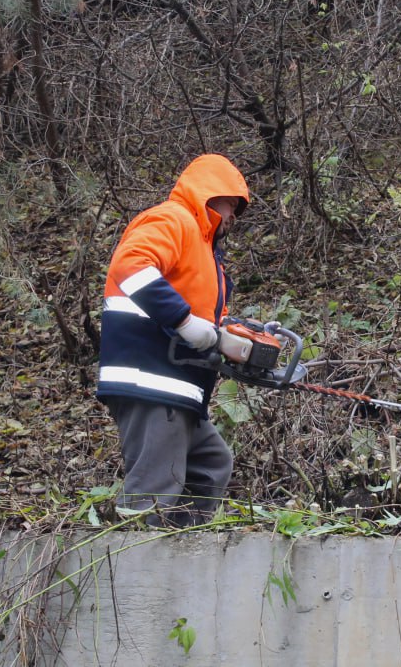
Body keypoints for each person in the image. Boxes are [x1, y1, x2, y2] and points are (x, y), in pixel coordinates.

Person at [97, 154, 251, 527]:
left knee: (211, 464)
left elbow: (200, 317)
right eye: (232, 204)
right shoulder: (173, 220)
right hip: (150, 379)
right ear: (212, 195)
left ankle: (178, 550)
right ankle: (137, 565)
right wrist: (184, 321)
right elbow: (130, 266)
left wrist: (226, 335)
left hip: (178, 387)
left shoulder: (205, 252)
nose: (233, 216)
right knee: (153, 489)